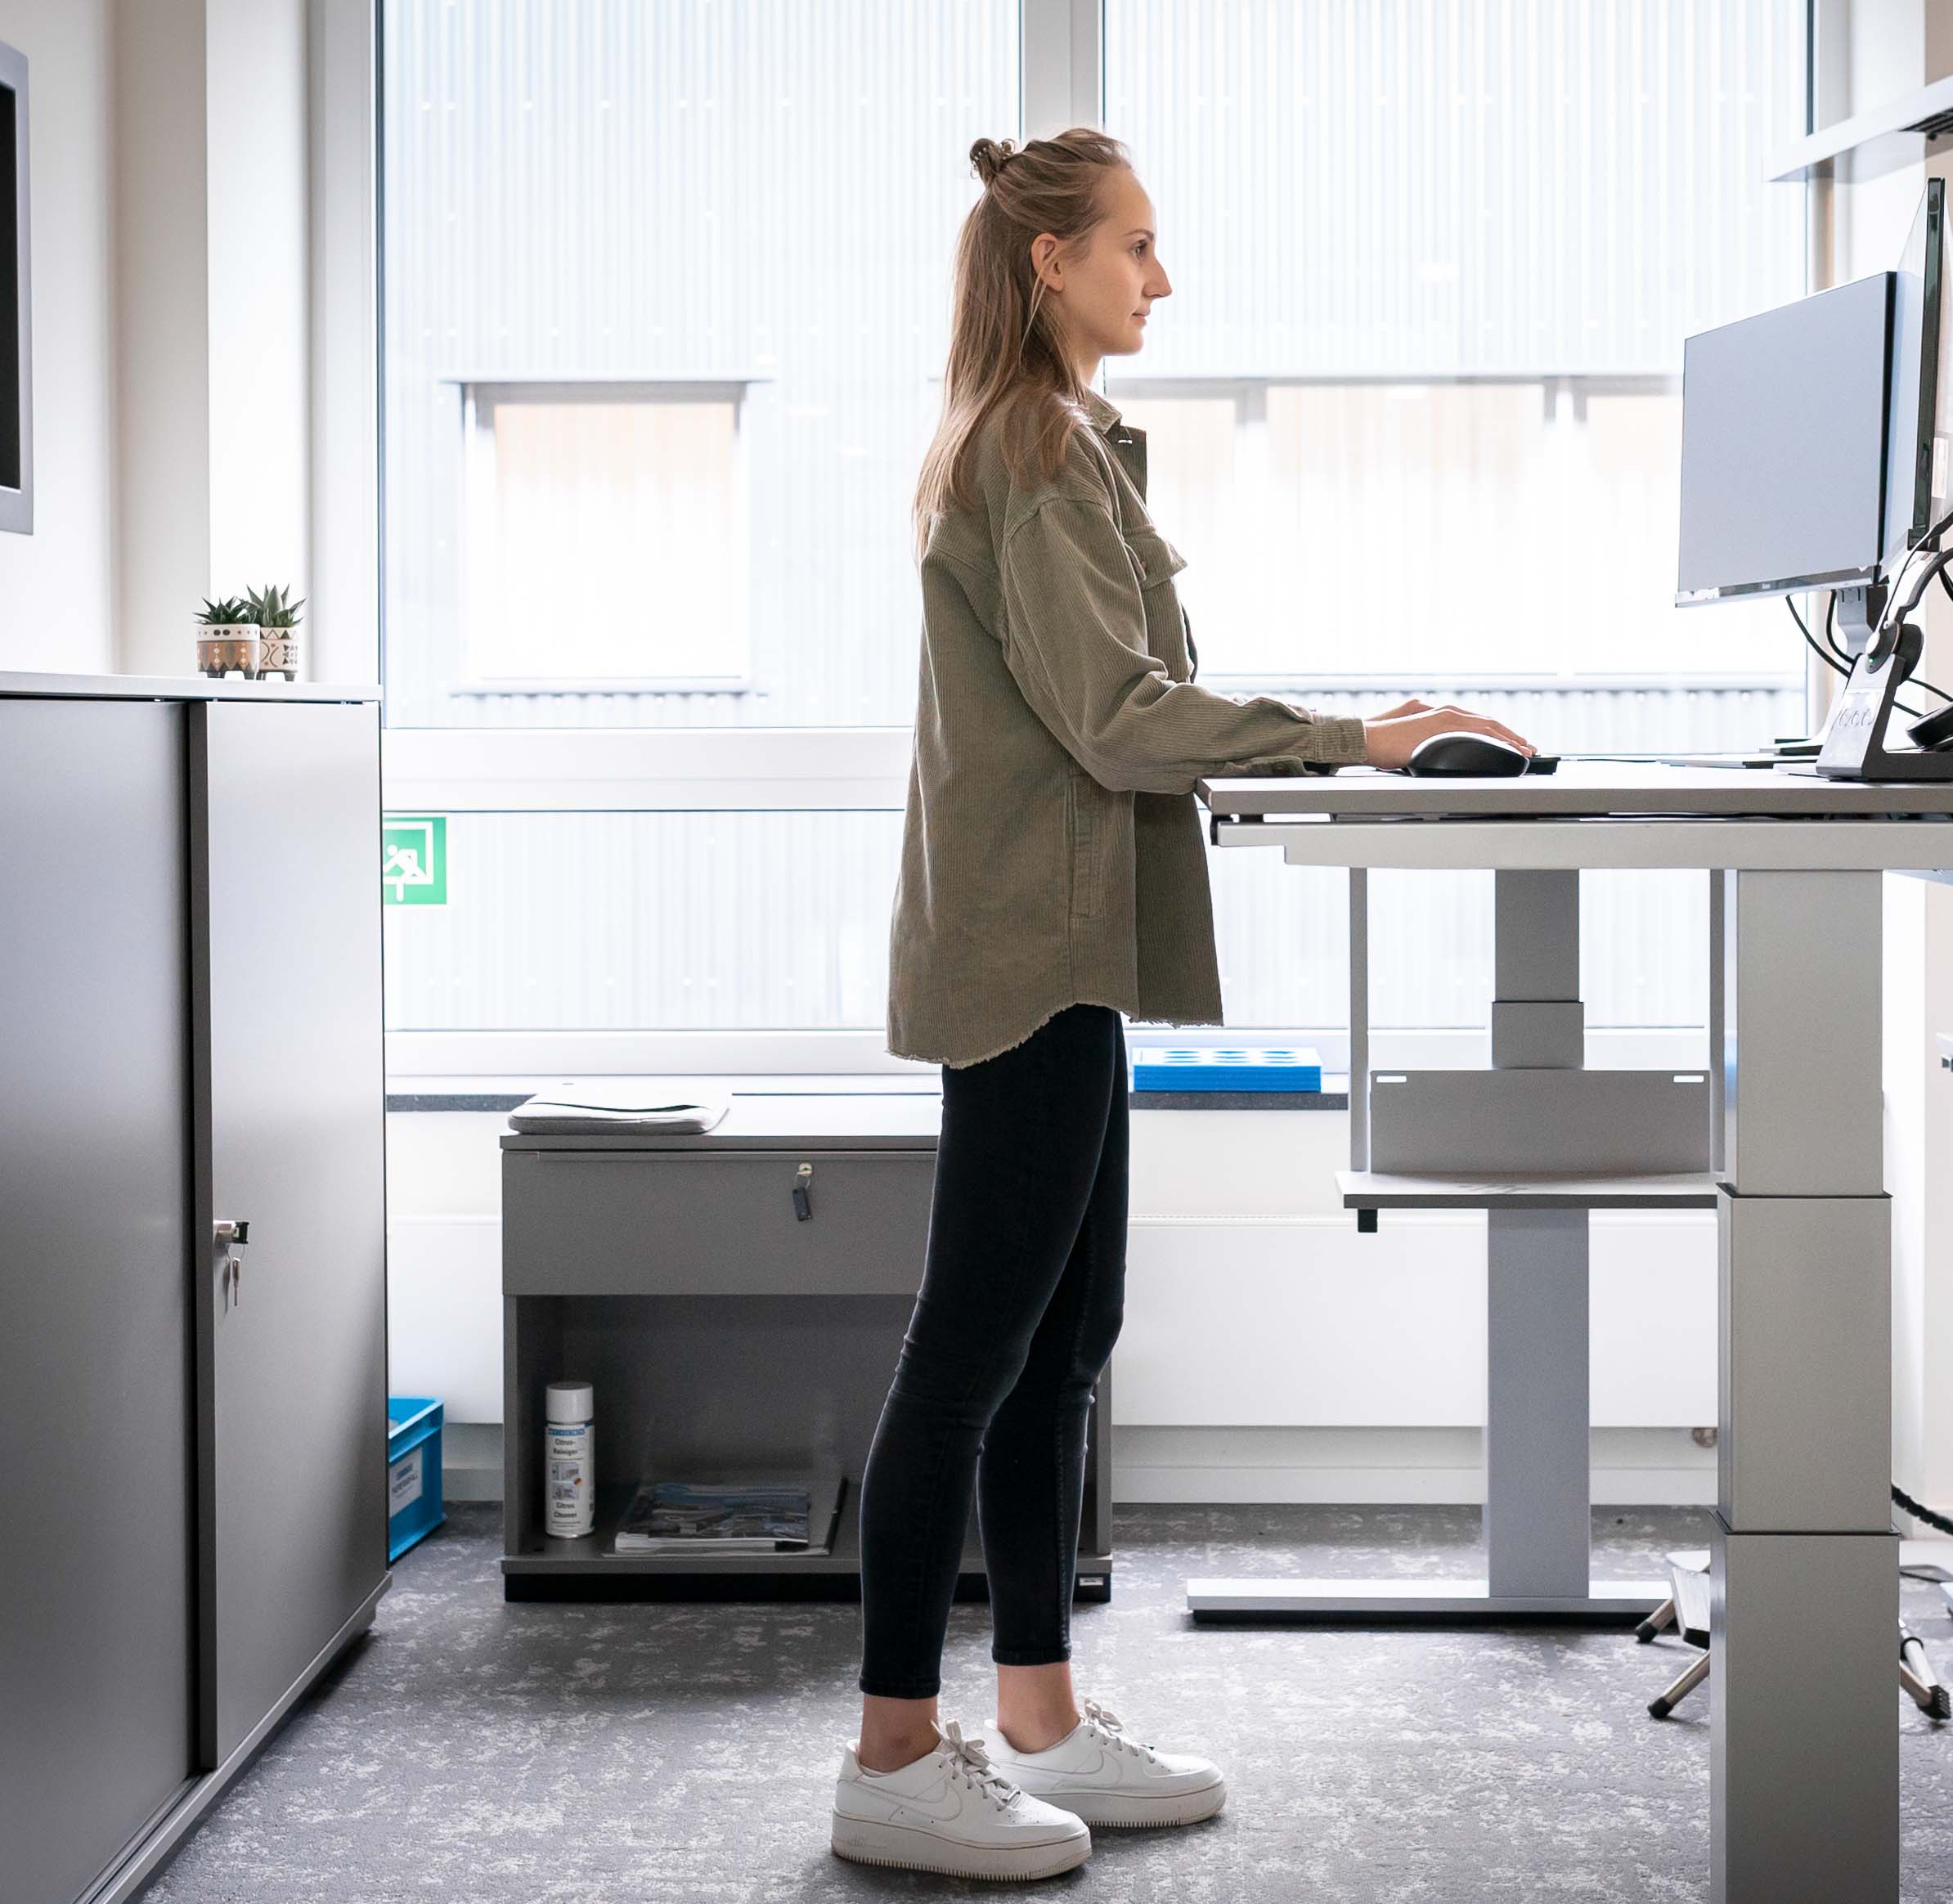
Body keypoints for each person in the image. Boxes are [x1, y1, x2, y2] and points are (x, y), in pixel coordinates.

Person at [829, 128, 1533, 1883]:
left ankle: (1043, 1717)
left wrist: (1332, 735)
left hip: (1064, 942)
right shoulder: (1029, 449)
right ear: (1050, 262)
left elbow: (1125, 698)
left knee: (1065, 1340)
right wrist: (1353, 737)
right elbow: (1123, 718)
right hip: (1024, 951)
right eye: (1137, 247)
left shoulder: (1064, 442)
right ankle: (892, 1752)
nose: (1162, 277)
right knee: (974, 1353)